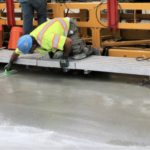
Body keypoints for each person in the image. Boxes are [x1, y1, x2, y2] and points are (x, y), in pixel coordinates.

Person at [4, 17, 101, 70]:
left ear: (33, 46)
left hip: (68, 27)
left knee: (77, 54)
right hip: (57, 33)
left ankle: (92, 50)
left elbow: (68, 41)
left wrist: (65, 58)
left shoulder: (47, 39)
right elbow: (16, 52)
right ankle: (77, 45)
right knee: (55, 55)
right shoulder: (27, 40)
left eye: (29, 51)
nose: (27, 53)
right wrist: (10, 63)